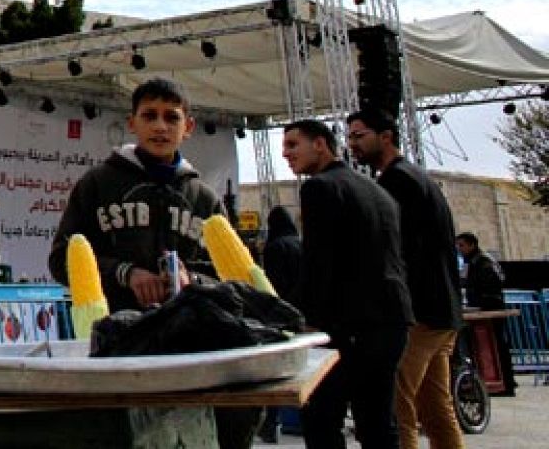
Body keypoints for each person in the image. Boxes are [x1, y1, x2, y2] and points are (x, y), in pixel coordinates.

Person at [48, 78, 255, 448]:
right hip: (117, 349)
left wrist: (193, 279)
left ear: (187, 127)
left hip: (188, 350)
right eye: (150, 116)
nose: (160, 126)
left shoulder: (204, 199)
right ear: (133, 123)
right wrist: (126, 274)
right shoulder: (97, 184)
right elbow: (61, 258)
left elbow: (231, 278)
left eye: (171, 117)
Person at [282, 118, 412, 449]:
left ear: (320, 144)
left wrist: (304, 319)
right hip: (392, 319)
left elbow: (319, 262)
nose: (286, 154)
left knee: (323, 420)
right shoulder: (378, 191)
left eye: (293, 145)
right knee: (378, 423)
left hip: (349, 325)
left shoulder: (320, 188)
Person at [346, 108, 465, 449]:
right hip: (441, 312)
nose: (352, 144)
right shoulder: (419, 178)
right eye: (350, 137)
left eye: (359, 135)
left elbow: (393, 251)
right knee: (437, 411)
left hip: (416, 315)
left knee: (399, 412)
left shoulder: (396, 182)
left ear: (385, 136)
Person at [258, 206, 304, 443]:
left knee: (278, 373)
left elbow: (272, 286)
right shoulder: (301, 244)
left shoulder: (275, 247)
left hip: (282, 314)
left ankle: (270, 423)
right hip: (304, 313)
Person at [456, 231, 516, 395]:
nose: (459, 249)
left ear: (472, 245)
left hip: (491, 309)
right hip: (484, 308)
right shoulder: (473, 263)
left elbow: (491, 286)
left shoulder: (484, 263)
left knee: (498, 345)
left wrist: (481, 303)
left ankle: (505, 383)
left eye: (462, 245)